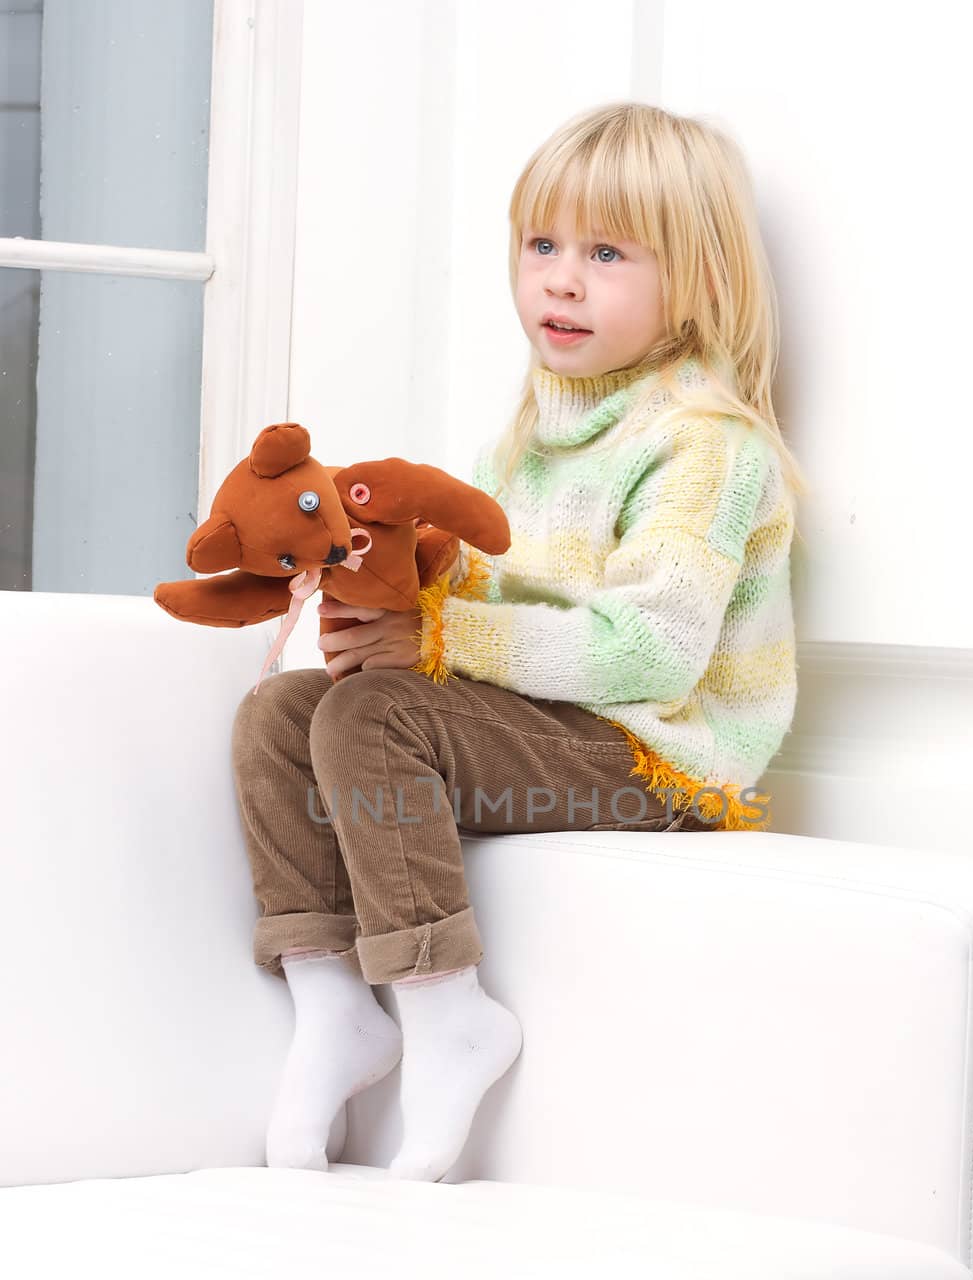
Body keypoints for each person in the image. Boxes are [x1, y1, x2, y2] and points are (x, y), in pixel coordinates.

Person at [230, 99, 807, 1185]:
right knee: (278, 714)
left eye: (605, 252)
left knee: (376, 711)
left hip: (658, 755)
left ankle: (447, 1009)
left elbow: (650, 654)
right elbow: (486, 584)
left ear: (701, 282)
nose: (559, 279)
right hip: (547, 726)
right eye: (540, 244)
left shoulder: (708, 448)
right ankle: (333, 1002)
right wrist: (389, 583)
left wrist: (434, 634)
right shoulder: (530, 432)